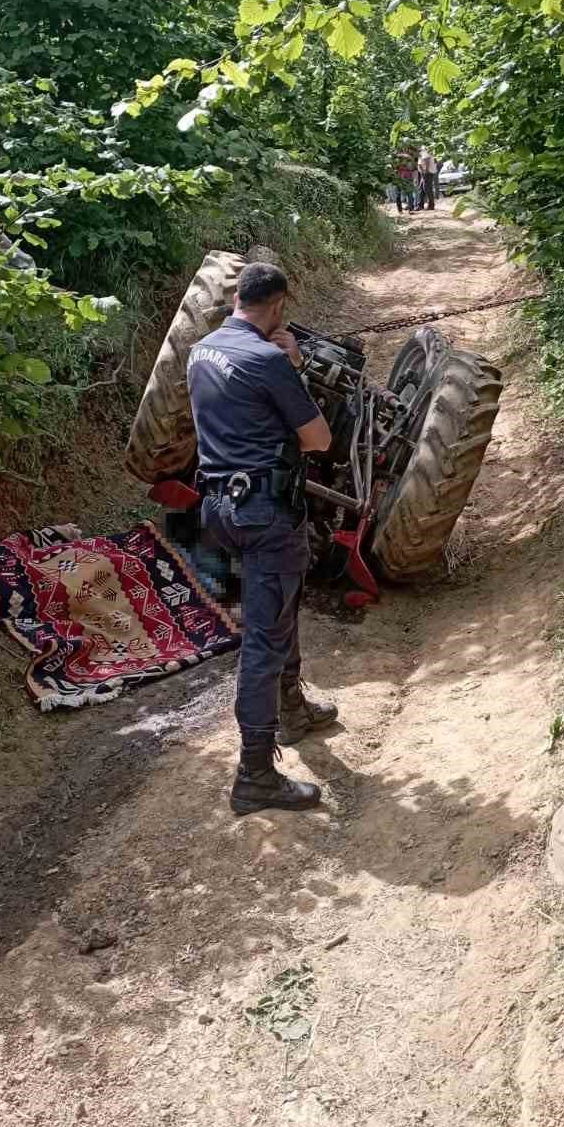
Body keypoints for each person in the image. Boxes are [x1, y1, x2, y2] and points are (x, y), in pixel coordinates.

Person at [188, 261, 336, 816]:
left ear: (235, 301)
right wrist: (293, 367)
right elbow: (318, 439)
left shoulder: (201, 352)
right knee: (263, 639)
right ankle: (254, 774)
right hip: (266, 512)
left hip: (220, 508)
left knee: (277, 611)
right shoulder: (270, 359)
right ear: (276, 306)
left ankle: (293, 710)